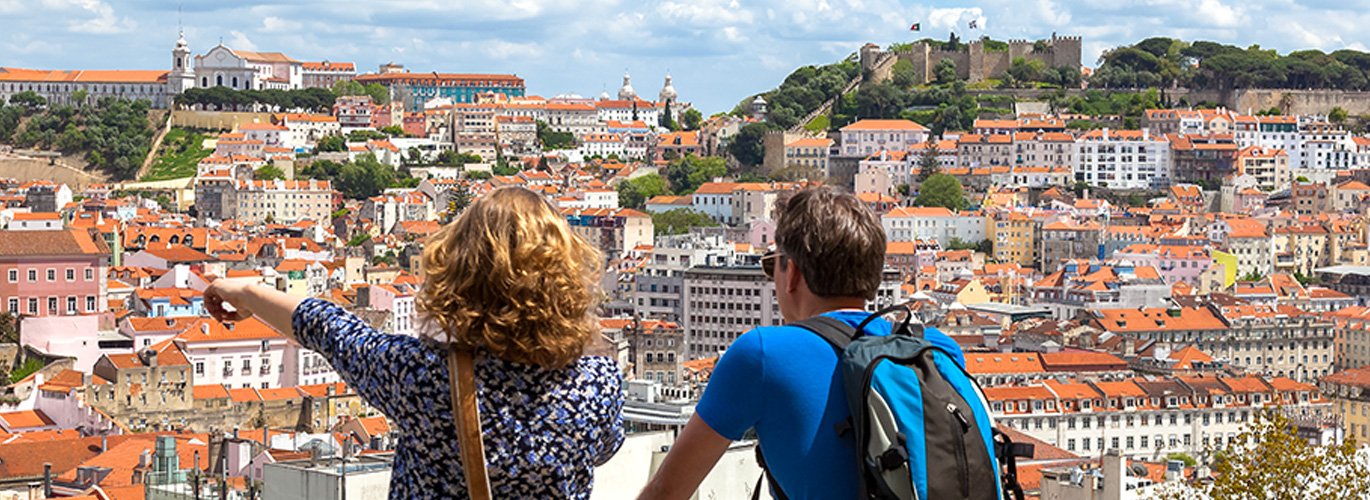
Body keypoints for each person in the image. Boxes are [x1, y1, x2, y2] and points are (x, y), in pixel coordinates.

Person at [204, 186, 625, 499]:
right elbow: (605, 449)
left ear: (457, 271)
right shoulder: (597, 382)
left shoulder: (419, 376)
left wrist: (247, 292)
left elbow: (329, 328)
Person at [639, 186, 966, 499]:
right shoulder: (936, 350)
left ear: (792, 272)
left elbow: (666, 492)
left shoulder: (763, 355)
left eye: (772, 266)